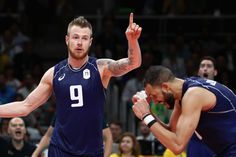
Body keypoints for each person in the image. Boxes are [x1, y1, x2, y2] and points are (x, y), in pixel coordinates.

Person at [0, 13, 142, 157]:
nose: (79, 42)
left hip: (91, 150)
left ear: (90, 42)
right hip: (60, 149)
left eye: (84, 38)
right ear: (67, 40)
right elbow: (26, 106)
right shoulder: (53, 73)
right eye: (75, 37)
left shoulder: (101, 68)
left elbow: (133, 63)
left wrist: (132, 41)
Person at [132, 65, 236, 157]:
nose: (154, 101)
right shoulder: (183, 92)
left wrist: (146, 115)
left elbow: (177, 146)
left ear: (165, 87)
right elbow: (171, 133)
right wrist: (148, 113)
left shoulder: (193, 95)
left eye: (154, 96)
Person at [31, 117, 113, 157]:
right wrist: (35, 154)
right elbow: (48, 136)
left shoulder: (92, 111)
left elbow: (108, 137)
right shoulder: (62, 111)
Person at [187, 56, 216, 157]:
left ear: (215, 72)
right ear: (199, 71)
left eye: (209, 66)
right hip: (195, 143)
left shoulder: (223, 93)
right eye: (202, 66)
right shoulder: (189, 92)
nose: (205, 68)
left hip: (215, 143)